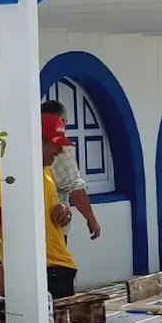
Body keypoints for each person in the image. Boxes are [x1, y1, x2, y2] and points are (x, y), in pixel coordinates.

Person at [0, 110, 78, 300]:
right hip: (31, 273)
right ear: (38, 141)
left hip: (62, 269)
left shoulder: (47, 172)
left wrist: (64, 211)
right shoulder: (4, 176)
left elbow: (52, 213)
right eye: (55, 144)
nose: (60, 151)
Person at [40, 99, 101, 240]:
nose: (58, 151)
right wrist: (92, 220)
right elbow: (75, 188)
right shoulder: (59, 148)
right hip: (53, 230)